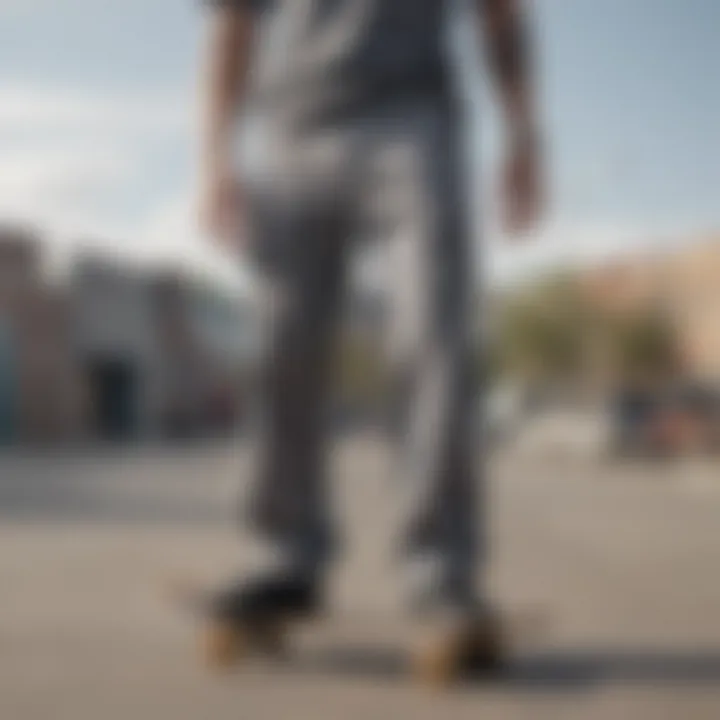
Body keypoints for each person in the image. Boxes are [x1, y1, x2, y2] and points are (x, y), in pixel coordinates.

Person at [198, 0, 543, 677]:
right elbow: (232, 25)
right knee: (281, 348)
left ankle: (442, 571)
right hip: (290, 130)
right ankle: (285, 554)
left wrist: (523, 135)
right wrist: (215, 157)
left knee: (433, 339)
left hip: (412, 121)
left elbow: (500, 15)